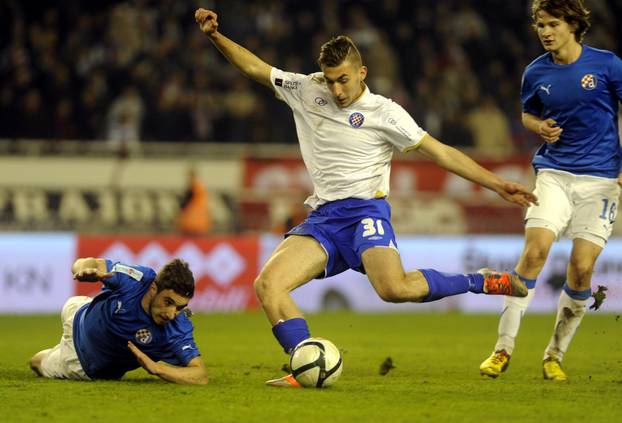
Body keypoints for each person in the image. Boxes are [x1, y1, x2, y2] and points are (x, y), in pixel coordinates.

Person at [195, 8, 537, 388]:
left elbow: (440, 152)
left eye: (343, 80)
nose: (336, 90)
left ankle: (482, 281)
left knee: (394, 289)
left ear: (362, 73)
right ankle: (305, 362)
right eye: (330, 81)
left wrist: (497, 184)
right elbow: (256, 69)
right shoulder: (307, 89)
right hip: (324, 219)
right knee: (267, 285)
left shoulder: (385, 113)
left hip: (365, 214)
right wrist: (215, 36)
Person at [479, 0, 622, 381]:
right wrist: (538, 127)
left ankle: (554, 355)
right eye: (540, 24)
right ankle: (502, 350)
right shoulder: (535, 71)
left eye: (553, 23)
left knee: (581, 267)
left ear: (573, 25)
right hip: (554, 173)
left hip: (601, 180)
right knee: (535, 252)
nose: (545, 31)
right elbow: (527, 113)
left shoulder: (607, 65)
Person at [29, 257, 209, 385]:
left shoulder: (177, 327)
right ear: (154, 288)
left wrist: (157, 369)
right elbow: (88, 262)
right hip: (78, 310)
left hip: (79, 359)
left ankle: (55, 353)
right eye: (168, 302)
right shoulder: (139, 278)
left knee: (36, 362)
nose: (171, 314)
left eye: (179, 307)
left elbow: (200, 375)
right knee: (75, 304)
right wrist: (84, 269)